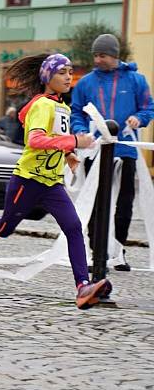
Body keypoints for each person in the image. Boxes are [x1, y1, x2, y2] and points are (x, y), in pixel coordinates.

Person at [0, 54, 111, 310]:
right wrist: (75, 141)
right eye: (62, 72)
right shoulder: (42, 105)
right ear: (47, 77)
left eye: (70, 71)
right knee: (3, 228)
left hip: (52, 183)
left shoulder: (61, 107)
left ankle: (82, 286)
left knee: (73, 228)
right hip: (28, 181)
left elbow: (53, 138)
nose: (68, 76)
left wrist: (67, 155)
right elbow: (35, 140)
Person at [70, 33, 154, 271]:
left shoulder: (136, 80)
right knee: (95, 201)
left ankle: (118, 249)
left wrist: (139, 118)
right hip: (96, 150)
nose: (98, 60)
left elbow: (149, 107)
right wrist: (80, 131)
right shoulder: (86, 82)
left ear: (115, 55)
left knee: (125, 202)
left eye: (103, 55)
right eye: (95, 55)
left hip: (127, 149)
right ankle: (98, 252)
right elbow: (76, 112)